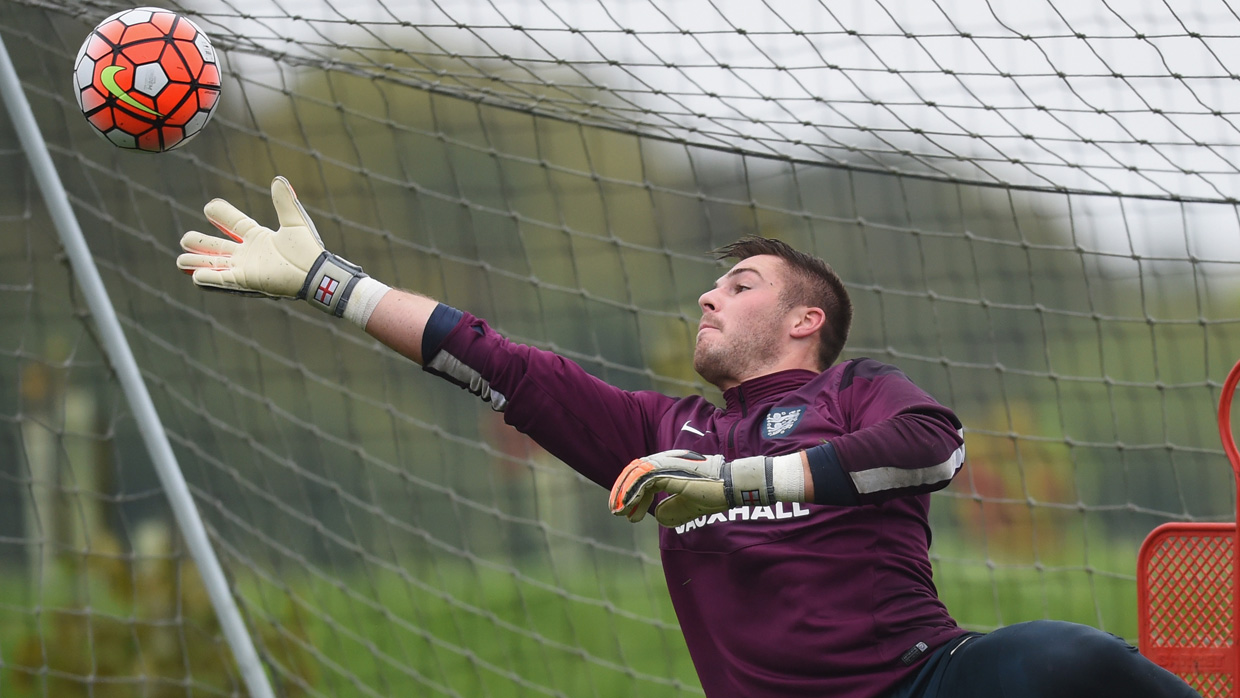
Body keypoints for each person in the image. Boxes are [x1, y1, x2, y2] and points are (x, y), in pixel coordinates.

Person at [176, 176, 1201, 698]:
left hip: (918, 681)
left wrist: (735, 481)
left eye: (740, 283)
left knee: (1061, 656)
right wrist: (327, 282)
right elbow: (495, 358)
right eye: (712, 282)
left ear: (806, 319)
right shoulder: (658, 429)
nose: (709, 293)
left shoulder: (855, 388)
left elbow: (933, 444)